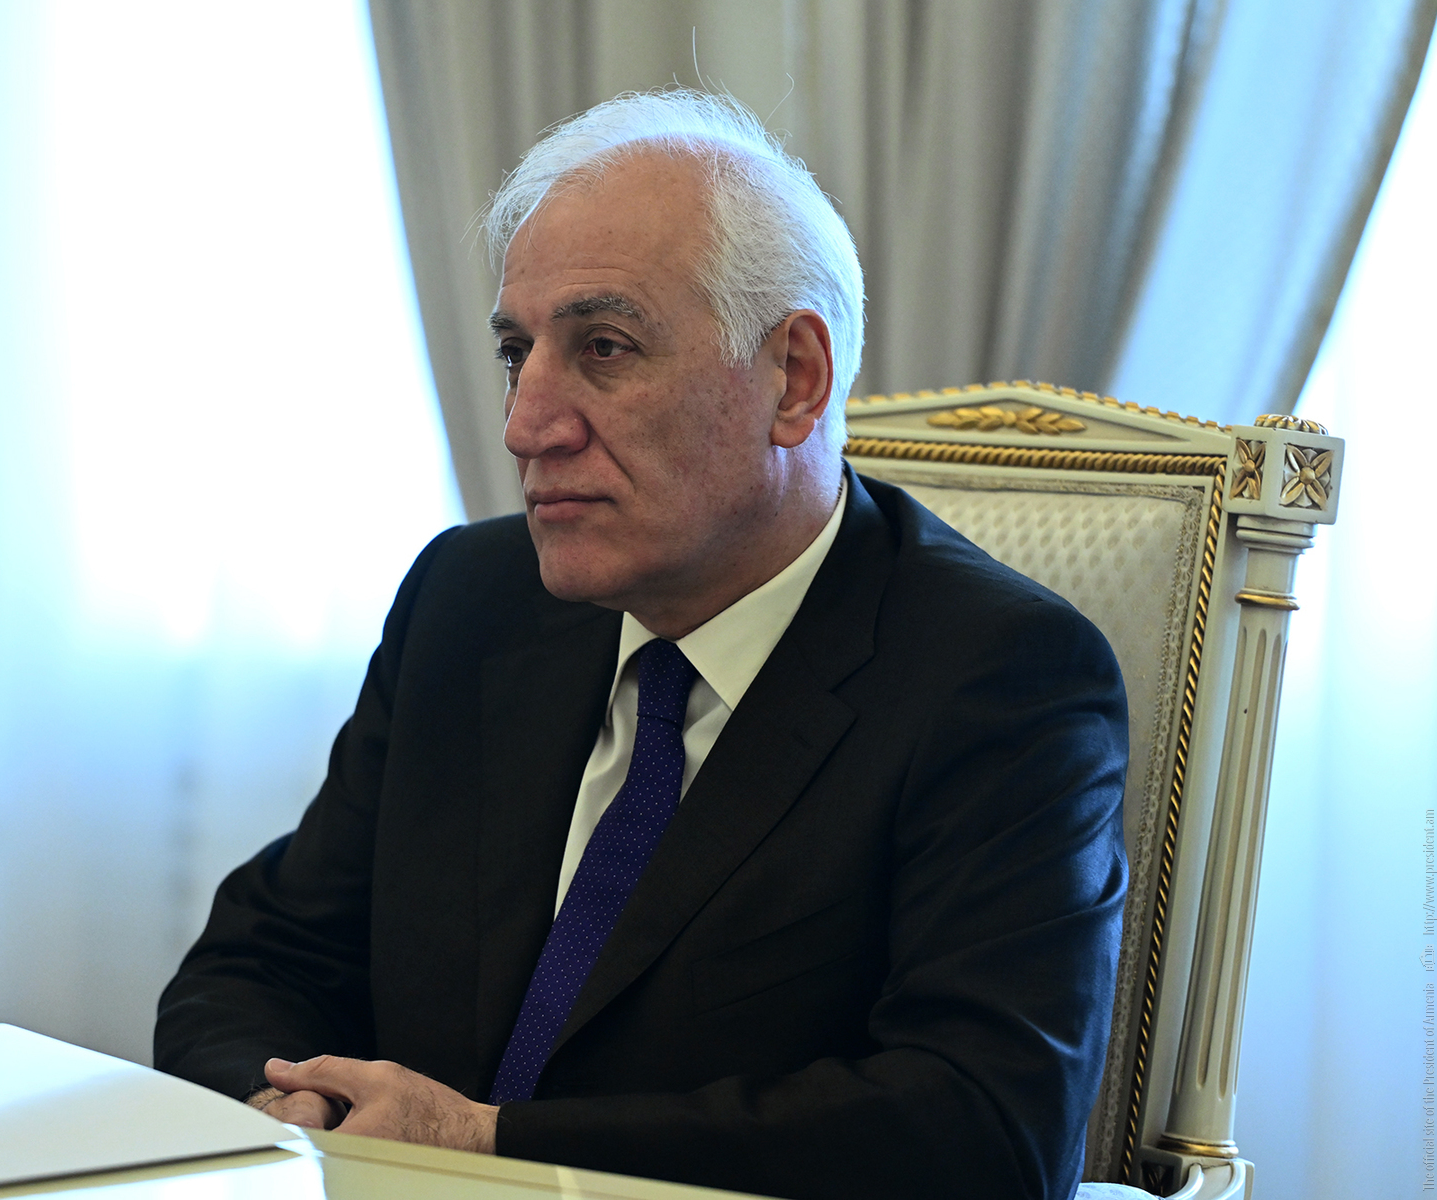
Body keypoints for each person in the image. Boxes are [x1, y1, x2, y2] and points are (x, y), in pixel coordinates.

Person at [156, 90, 1127, 1200]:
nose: (526, 424)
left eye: (604, 348)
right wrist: (293, 1110)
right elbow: (259, 961)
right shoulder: (469, 602)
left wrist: (487, 1149)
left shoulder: (998, 680)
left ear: (795, 380)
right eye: (517, 352)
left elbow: (985, 1131)